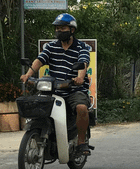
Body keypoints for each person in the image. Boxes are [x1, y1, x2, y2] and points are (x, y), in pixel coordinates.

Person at [20, 13, 92, 155]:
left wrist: (79, 78)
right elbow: (40, 60)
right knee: (38, 107)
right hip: (53, 89)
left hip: (73, 89)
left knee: (82, 107)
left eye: (63, 28)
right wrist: (28, 75)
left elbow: (83, 63)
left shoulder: (82, 47)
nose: (59, 31)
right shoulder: (51, 46)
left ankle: (81, 142)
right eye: (57, 28)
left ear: (72, 30)